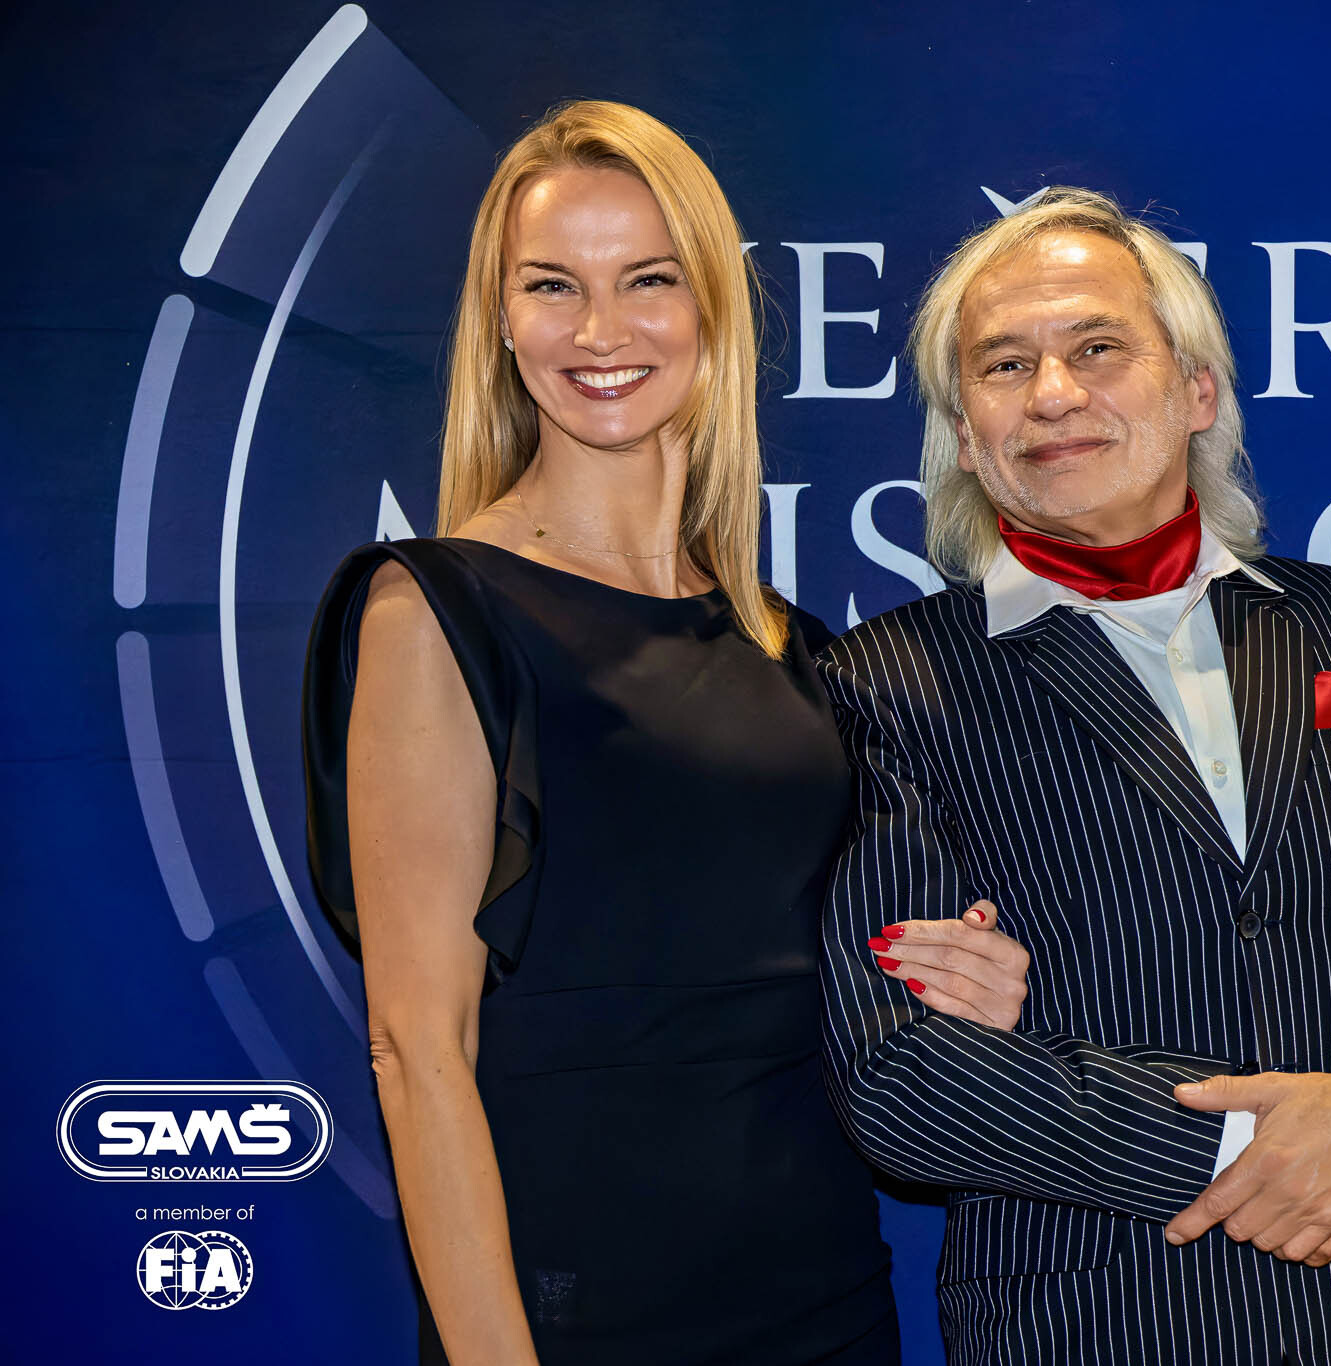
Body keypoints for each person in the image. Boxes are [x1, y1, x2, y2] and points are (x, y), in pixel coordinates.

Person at [299, 100, 1027, 1365]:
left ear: (709, 309)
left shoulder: (790, 646)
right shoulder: (437, 611)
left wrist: (965, 975)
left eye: (646, 278)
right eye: (551, 285)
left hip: (824, 1291)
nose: (599, 331)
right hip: (579, 1305)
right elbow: (419, 1050)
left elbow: (831, 969)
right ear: (500, 321)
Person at [813, 188, 1331, 1365]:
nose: (1051, 393)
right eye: (1003, 365)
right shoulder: (879, 684)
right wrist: (1274, 1147)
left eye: (1095, 348)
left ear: (1197, 389)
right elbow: (900, 1074)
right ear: (964, 433)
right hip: (1079, 1327)